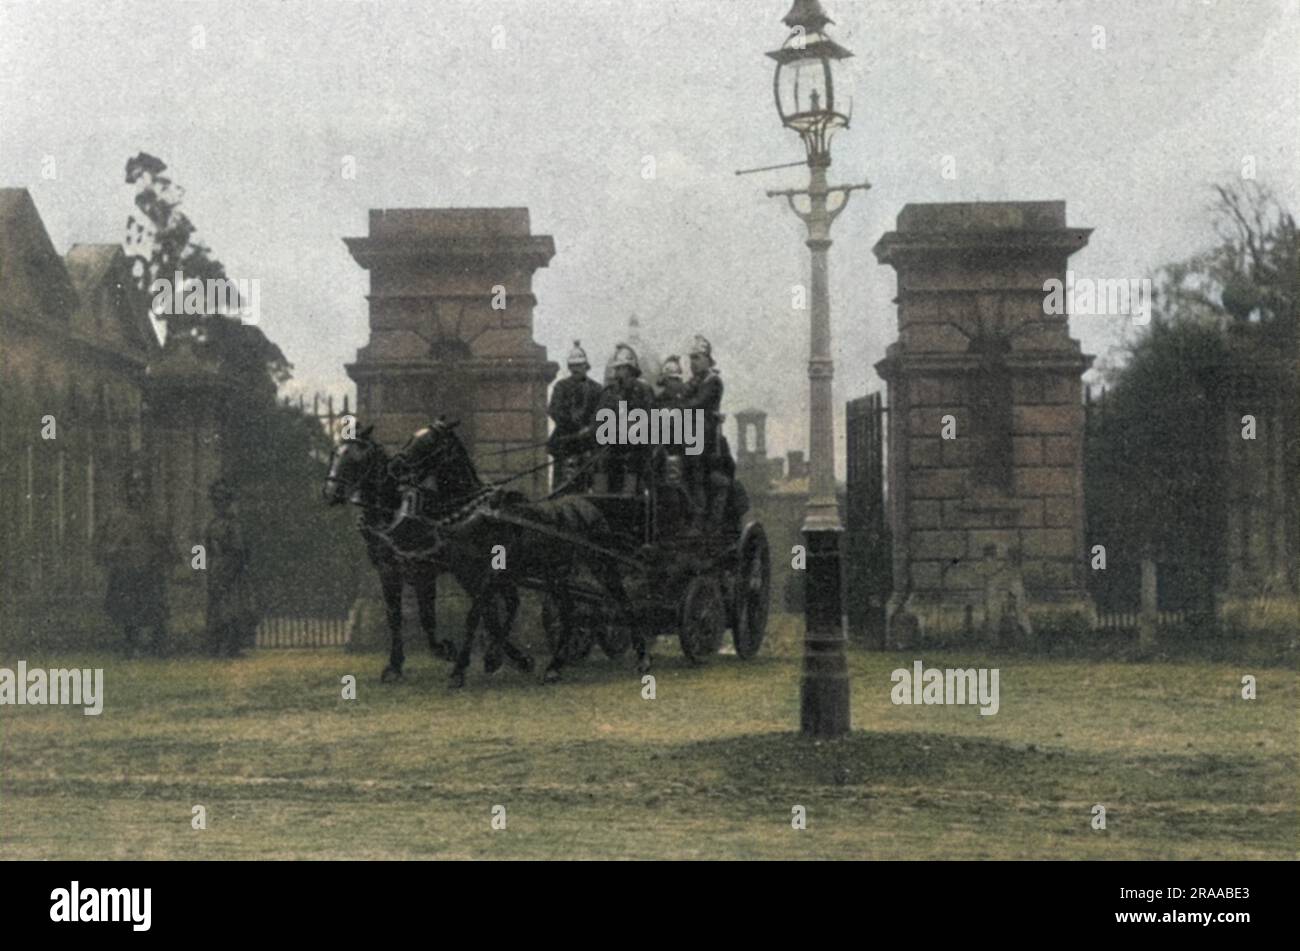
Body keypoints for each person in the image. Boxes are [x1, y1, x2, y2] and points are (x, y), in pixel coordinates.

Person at [94, 468, 173, 657]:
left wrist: (164, 555)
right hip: (127, 569)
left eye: (141, 487)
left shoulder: (155, 514)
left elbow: (166, 541)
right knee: (128, 608)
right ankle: (132, 643)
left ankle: (158, 644)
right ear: (127, 490)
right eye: (133, 487)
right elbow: (106, 540)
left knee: (154, 606)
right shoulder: (118, 515)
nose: (137, 492)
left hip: (149, 569)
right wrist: (112, 551)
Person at [204, 478, 256, 657]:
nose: (219, 504)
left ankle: (231, 648)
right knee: (218, 611)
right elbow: (207, 551)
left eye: (223, 500)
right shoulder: (212, 524)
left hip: (231, 573)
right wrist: (206, 570)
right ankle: (216, 647)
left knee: (232, 611)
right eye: (216, 500)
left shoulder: (233, 524)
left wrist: (228, 574)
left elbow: (239, 551)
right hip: (216, 569)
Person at [594, 342, 656, 493]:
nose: (620, 373)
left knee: (633, 460)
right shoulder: (609, 392)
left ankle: (629, 499)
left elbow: (649, 419)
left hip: (637, 444)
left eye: (623, 368)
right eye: (618, 369)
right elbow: (599, 418)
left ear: (632, 370)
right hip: (613, 443)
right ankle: (600, 499)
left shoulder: (644, 390)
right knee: (600, 459)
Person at [679, 335, 724, 533]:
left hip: (705, 436)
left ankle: (699, 516)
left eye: (697, 358)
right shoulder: (693, 382)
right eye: (691, 359)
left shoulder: (712, 382)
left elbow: (698, 403)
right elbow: (680, 399)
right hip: (689, 433)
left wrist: (679, 408)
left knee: (697, 474)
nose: (693, 363)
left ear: (707, 359)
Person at [547, 340, 603, 492]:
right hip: (565, 443)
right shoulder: (561, 387)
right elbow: (554, 411)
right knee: (561, 487)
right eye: (573, 366)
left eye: (579, 365)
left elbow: (601, 414)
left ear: (586, 366)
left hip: (588, 444)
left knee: (588, 485)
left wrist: (590, 428)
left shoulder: (597, 389)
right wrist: (574, 427)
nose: (576, 369)